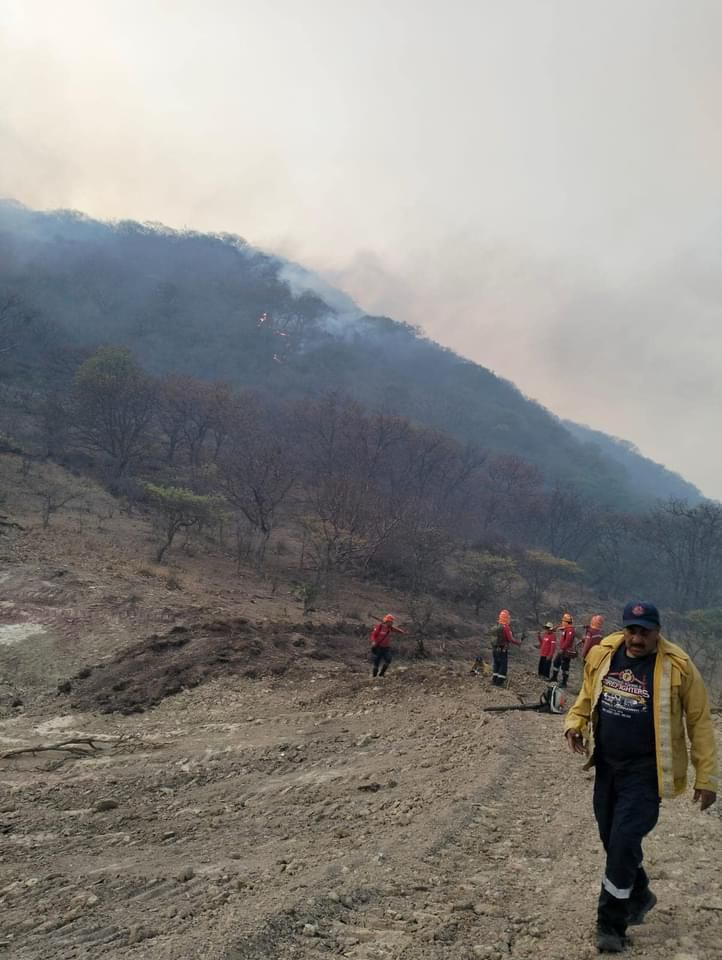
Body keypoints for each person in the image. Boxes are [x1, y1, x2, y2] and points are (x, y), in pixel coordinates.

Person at [564, 601, 717, 954]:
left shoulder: (678, 667)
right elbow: (588, 694)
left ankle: (611, 923)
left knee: (622, 841)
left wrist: (706, 777)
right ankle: (640, 891)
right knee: (611, 837)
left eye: (644, 631)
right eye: (632, 630)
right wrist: (575, 723)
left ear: (657, 632)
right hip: (607, 765)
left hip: (646, 772)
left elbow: (700, 724)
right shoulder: (605, 653)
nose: (636, 638)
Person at [491, 609, 521, 687]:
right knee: (503, 665)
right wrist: (518, 643)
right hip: (502, 650)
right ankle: (499, 682)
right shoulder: (505, 627)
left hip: (494, 649)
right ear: (506, 618)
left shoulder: (497, 625)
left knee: (496, 664)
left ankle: (494, 680)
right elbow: (510, 639)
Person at [550, 612, 576, 687]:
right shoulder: (567, 629)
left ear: (566, 622)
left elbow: (568, 640)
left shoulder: (570, 630)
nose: (562, 623)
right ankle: (554, 678)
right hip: (562, 650)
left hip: (565, 651)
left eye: (563, 621)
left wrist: (562, 648)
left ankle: (564, 682)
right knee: (556, 662)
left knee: (565, 666)